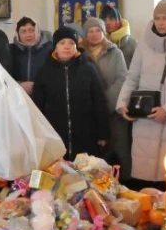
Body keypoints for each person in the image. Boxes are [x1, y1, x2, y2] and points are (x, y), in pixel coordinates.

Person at [116, 0, 166, 188]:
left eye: (165, 18)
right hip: (145, 120)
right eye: (157, 18)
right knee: (143, 185)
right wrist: (122, 104)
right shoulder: (143, 46)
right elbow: (131, 78)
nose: (160, 23)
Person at [33, 27, 109, 159]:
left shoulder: (88, 69)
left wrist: (103, 133)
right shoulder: (44, 71)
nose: (67, 47)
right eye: (62, 43)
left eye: (71, 43)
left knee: (84, 174)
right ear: (55, 47)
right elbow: (38, 105)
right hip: (55, 134)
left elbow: (99, 101)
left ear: (76, 46)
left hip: (86, 134)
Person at [82, 17, 129, 177]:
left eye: (98, 30)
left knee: (118, 150)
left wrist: (103, 102)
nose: (94, 34)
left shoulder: (115, 52)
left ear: (103, 33)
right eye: (90, 31)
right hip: (90, 113)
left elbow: (122, 79)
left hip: (112, 111)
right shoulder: (80, 55)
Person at [9, 17, 53, 95]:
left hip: (45, 96)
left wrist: (37, 86)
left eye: (31, 30)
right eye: (23, 32)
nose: (28, 35)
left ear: (38, 31)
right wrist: (19, 85)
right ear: (18, 34)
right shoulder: (10, 50)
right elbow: (4, 76)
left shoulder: (50, 49)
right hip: (19, 97)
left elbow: (56, 74)